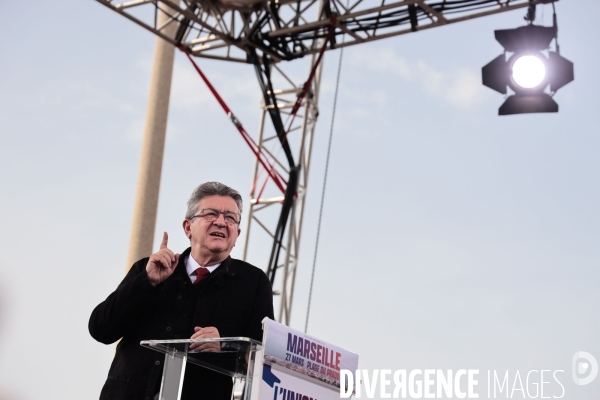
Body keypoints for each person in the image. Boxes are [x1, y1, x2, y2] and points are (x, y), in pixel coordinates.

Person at [89, 182, 274, 400]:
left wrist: (225, 344)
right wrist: (146, 282)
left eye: (230, 218)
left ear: (237, 233)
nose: (221, 222)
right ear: (188, 227)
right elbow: (101, 330)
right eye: (211, 213)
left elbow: (266, 360)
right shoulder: (149, 269)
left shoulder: (253, 283)